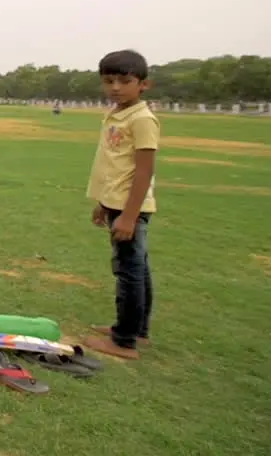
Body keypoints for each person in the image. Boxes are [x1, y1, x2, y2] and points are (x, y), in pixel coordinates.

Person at [83, 49, 159, 361]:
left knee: (128, 270)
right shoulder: (117, 113)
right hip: (116, 203)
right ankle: (137, 330)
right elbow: (115, 165)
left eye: (124, 81)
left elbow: (143, 170)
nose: (115, 87)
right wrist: (104, 202)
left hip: (131, 207)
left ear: (143, 84)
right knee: (137, 268)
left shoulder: (141, 118)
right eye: (109, 81)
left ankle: (124, 339)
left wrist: (128, 216)